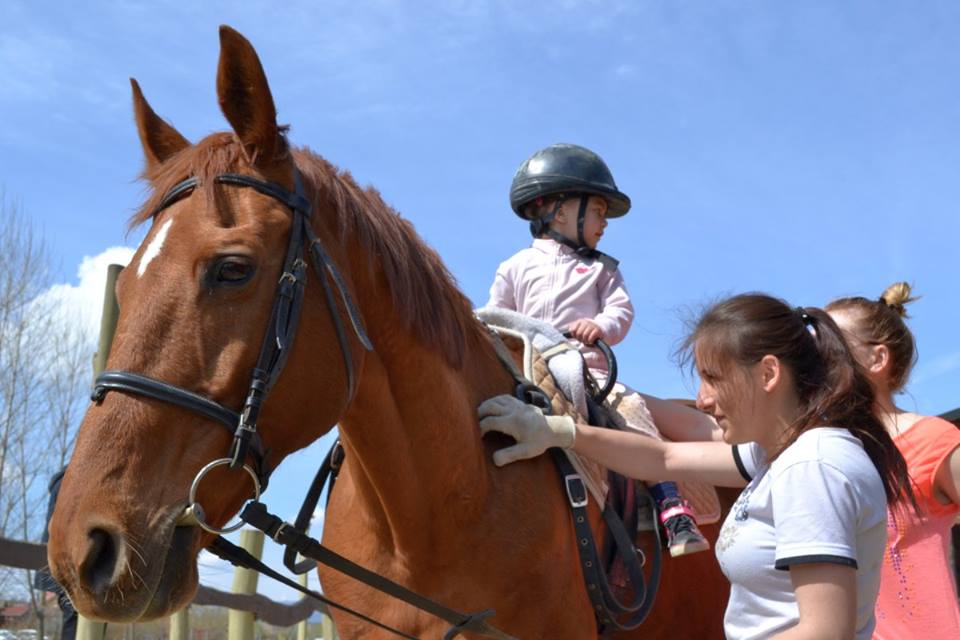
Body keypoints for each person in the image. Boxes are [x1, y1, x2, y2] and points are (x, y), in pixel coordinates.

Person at [478, 293, 916, 639]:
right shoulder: (776, 455)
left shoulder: (812, 468)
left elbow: (825, 631)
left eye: (714, 378)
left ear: (768, 374)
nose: (703, 399)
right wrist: (559, 432)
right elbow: (662, 456)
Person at [486, 142, 709, 556]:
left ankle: (670, 504)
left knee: (629, 409)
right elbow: (497, 318)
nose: (604, 224)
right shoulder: (514, 267)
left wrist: (600, 325)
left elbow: (621, 313)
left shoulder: (604, 268)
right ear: (559, 209)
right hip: (528, 367)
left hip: (587, 369)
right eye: (600, 212)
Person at [826, 283, 960, 639]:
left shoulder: (935, 439)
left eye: (830, 346)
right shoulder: (819, 454)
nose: (813, 361)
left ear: (877, 358)